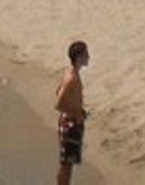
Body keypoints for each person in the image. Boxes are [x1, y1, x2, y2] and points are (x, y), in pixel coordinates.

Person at [55, 40, 89, 185]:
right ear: (79, 57)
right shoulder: (72, 78)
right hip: (70, 124)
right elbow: (58, 104)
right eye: (86, 54)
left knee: (68, 162)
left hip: (71, 121)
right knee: (66, 164)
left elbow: (58, 92)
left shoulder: (71, 73)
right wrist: (76, 114)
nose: (89, 57)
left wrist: (78, 109)